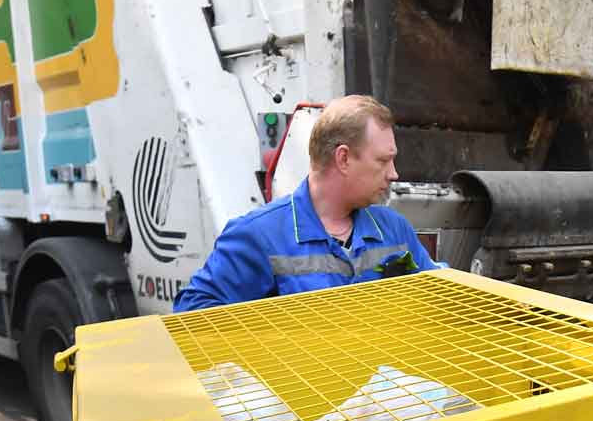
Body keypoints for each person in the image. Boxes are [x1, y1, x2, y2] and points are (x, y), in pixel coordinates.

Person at [173, 95, 436, 311]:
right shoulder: (259, 236)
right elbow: (193, 312)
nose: (394, 173)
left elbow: (437, 291)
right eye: (382, 161)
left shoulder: (394, 230)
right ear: (343, 159)